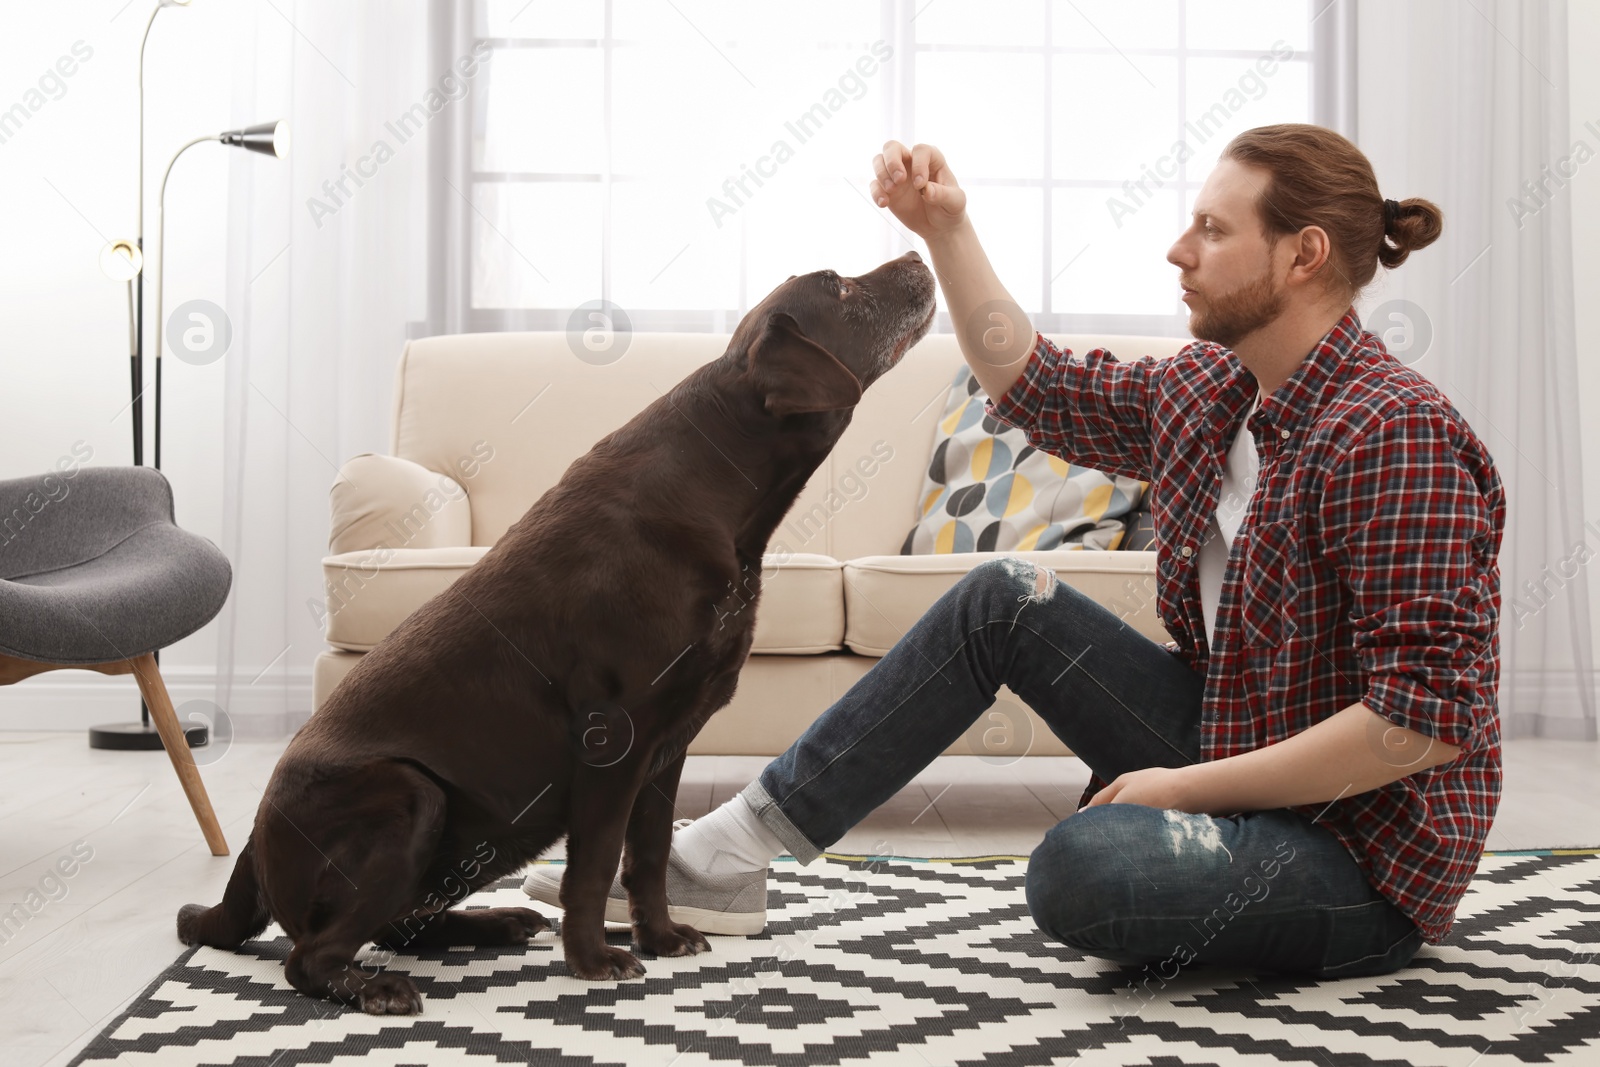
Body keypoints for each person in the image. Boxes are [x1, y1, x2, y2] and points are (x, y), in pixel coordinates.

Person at [524, 123, 1505, 979]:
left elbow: (1420, 725)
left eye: (1212, 229)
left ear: (1303, 255)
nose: (1178, 249)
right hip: (1237, 740)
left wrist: (1182, 789)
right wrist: (944, 227)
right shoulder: (1213, 390)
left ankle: (1224, 866)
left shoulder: (1392, 434)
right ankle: (720, 858)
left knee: (1085, 867)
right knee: (1005, 596)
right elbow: (1034, 384)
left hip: (1359, 847)